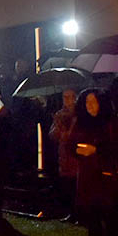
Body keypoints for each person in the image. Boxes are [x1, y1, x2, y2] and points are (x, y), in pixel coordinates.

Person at [70, 89, 118, 236]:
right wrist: (78, 150)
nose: (89, 106)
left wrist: (96, 150)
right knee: (91, 210)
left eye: (93, 102)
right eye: (87, 102)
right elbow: (70, 144)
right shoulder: (81, 122)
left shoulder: (111, 123)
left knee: (108, 211)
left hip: (104, 173)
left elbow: (117, 147)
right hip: (87, 174)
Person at [50, 88, 79, 223]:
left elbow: (75, 136)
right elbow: (52, 134)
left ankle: (80, 213)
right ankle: (71, 212)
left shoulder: (79, 115)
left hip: (75, 157)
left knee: (77, 186)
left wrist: (66, 134)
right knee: (67, 186)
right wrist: (58, 129)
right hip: (64, 157)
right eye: (64, 97)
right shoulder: (60, 114)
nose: (67, 100)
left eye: (70, 97)